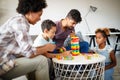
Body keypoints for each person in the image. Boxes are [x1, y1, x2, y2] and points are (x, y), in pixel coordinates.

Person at [0, 0, 55, 80]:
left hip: (6, 59)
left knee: (37, 58)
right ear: (30, 12)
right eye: (39, 15)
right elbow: (29, 53)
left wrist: (45, 47)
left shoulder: (17, 20)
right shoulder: (20, 22)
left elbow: (23, 51)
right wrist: (47, 47)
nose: (40, 19)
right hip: (2, 64)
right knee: (42, 61)